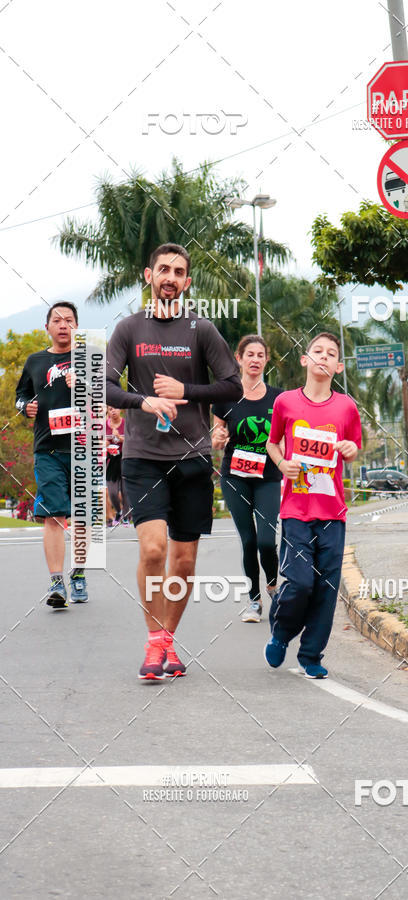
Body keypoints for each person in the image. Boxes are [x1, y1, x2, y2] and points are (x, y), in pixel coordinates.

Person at [106, 243, 242, 680]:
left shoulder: (201, 330)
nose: (170, 276)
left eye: (178, 271)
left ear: (187, 282)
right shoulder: (128, 329)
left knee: (182, 563)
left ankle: (167, 640)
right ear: (149, 276)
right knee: (153, 549)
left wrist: (186, 392)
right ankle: (153, 643)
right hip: (143, 456)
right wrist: (142, 401)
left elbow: (232, 386)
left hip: (192, 458)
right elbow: (104, 386)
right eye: (162, 269)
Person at [264, 332, 362, 679]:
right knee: (301, 581)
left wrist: (350, 450)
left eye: (331, 353)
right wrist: (282, 464)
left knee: (326, 587)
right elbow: (272, 443)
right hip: (296, 510)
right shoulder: (285, 403)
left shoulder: (346, 407)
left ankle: (311, 654)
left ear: (338, 366)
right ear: (305, 360)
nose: (323, 356)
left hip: (332, 512)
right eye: (317, 351)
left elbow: (351, 447)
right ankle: (281, 631)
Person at [15, 302, 88, 607]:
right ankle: (57, 582)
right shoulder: (35, 361)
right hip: (48, 449)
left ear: (76, 327)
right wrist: (25, 407)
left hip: (84, 448)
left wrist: (82, 383)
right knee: (54, 516)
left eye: (69, 320)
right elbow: (20, 396)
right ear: (47, 326)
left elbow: (108, 395)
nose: (62, 324)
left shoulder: (88, 359)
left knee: (83, 517)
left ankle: (79, 574)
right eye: (56, 320)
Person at [212, 335, 282, 623]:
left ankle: (274, 586)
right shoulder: (225, 396)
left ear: (266, 360)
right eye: (249, 354)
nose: (255, 359)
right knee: (249, 540)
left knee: (267, 540)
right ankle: (254, 601)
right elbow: (217, 435)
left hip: (268, 476)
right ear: (238, 359)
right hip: (235, 477)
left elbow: (284, 438)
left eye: (260, 355)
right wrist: (217, 436)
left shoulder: (279, 397)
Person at [105, 406, 130, 526]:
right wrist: (104, 443)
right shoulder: (104, 425)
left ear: (120, 410)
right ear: (108, 412)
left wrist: (119, 437)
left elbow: (133, 441)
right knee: (112, 492)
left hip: (125, 458)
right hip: (111, 459)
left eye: (115, 408)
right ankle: (119, 512)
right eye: (110, 409)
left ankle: (126, 517)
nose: (113, 411)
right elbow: (98, 440)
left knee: (126, 491)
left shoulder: (126, 423)